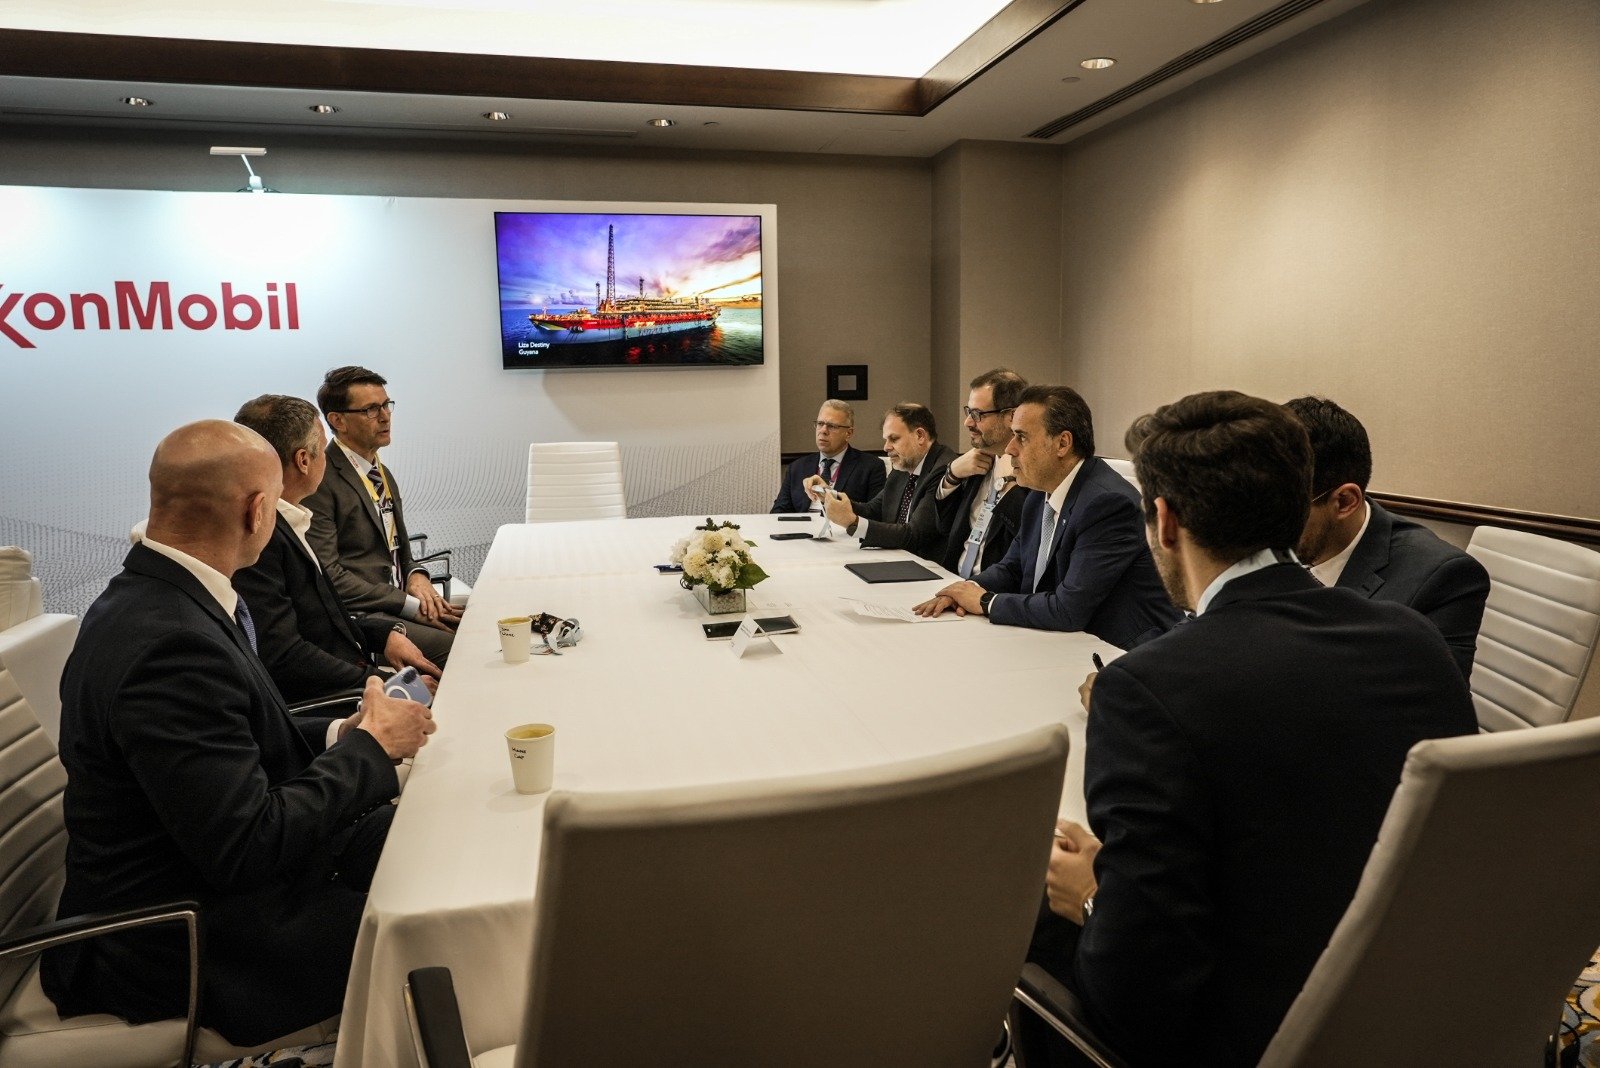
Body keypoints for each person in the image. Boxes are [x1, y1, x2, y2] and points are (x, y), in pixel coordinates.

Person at [1026, 392, 1476, 1068]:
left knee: (1031, 914)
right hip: (1422, 1007)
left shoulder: (1146, 689)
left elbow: (1136, 999)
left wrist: (1094, 896)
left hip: (1252, 1037)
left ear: (1165, 521)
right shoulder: (1414, 639)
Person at [43, 420, 436, 1046]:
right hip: (177, 940)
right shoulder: (170, 644)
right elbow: (248, 846)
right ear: (258, 511)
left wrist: (344, 731)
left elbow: (234, 736)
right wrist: (374, 748)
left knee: (424, 836)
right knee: (431, 924)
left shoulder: (155, 595)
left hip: (205, 883)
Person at [914, 385, 1180, 648]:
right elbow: (1012, 568)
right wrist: (963, 591)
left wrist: (985, 602)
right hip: (1062, 643)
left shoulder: (1107, 504)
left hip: (1122, 652)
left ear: (1062, 443)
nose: (1009, 449)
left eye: (1021, 437)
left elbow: (1068, 609)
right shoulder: (1039, 495)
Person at [233, 394, 441, 703]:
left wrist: (385, 634)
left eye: (386, 406)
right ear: (304, 461)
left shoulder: (290, 521)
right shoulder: (261, 540)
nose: (384, 416)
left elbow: (321, 617)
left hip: (355, 666)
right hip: (338, 700)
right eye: (322, 449)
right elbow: (286, 656)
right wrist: (386, 684)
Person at [1285, 395, 1490, 678]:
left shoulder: (1444, 579)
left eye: (1284, 509)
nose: (1265, 524)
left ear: (1344, 501)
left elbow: (1433, 700)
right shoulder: (1261, 543)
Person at [304, 365, 457, 664]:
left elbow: (398, 552)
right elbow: (329, 577)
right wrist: (407, 604)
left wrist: (416, 576)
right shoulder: (321, 480)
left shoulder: (381, 472)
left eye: (386, 405)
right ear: (337, 420)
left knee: (479, 629)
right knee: (460, 649)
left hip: (398, 602)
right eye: (371, 410)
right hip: (365, 618)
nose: (385, 416)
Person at [808, 402, 955, 554]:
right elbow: (872, 510)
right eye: (886, 440)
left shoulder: (943, 470)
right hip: (897, 557)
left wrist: (853, 522)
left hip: (927, 563)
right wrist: (828, 495)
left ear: (920, 435)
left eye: (894, 439)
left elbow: (914, 535)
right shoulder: (904, 466)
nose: (886, 447)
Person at [926, 368, 1031, 576]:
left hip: (994, 587)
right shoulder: (978, 463)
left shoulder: (1033, 471)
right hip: (953, 578)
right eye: (969, 412)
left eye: (977, 414)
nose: (968, 422)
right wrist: (952, 474)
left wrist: (1010, 486)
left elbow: (1029, 539)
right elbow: (942, 526)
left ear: (1011, 416)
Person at [770, 399, 886, 513]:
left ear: (848, 433)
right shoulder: (796, 467)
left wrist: (830, 495)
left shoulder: (871, 467)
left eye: (832, 426)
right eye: (820, 424)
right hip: (804, 526)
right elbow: (778, 512)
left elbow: (875, 514)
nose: (823, 431)